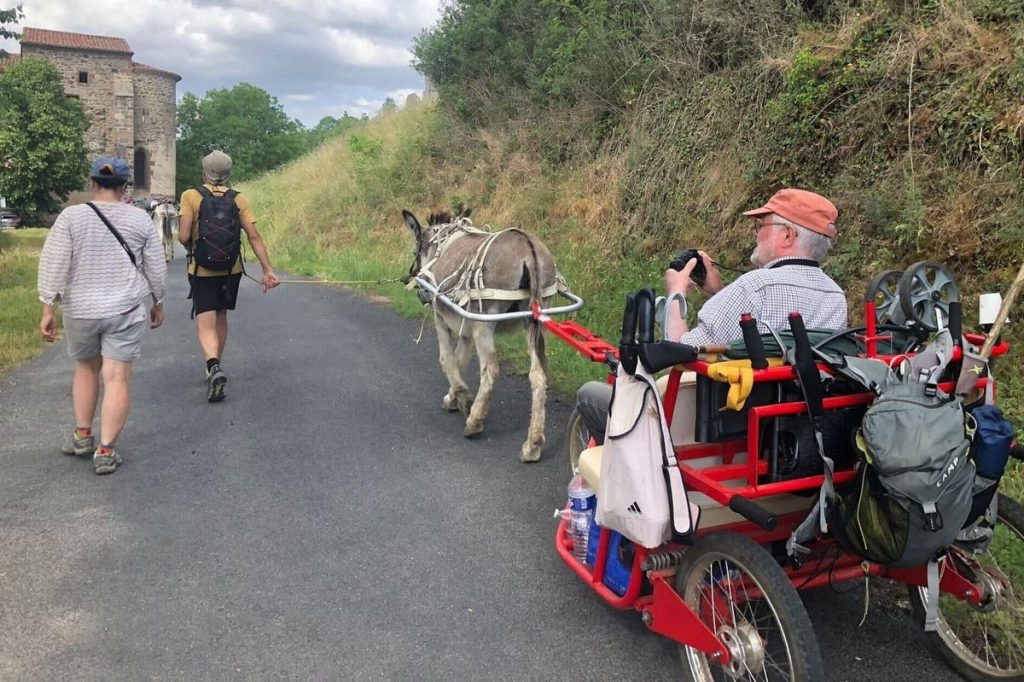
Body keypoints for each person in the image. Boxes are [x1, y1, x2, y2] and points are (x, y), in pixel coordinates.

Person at [576, 188, 848, 444]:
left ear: (788, 235)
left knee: (590, 395)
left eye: (761, 226)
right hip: (784, 432)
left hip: (720, 427)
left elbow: (678, 351)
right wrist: (718, 292)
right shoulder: (836, 297)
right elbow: (768, 329)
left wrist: (676, 293)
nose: (755, 234)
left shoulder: (752, 287)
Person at [38, 157, 167, 475]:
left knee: (85, 369)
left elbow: (54, 263)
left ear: (92, 183)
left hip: (81, 309)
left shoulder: (71, 217)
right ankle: (106, 450)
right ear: (125, 187)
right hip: (124, 309)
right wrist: (158, 300)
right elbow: (155, 267)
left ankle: (82, 435)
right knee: (117, 377)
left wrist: (47, 307)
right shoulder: (139, 220)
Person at [178, 150, 279, 402]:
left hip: (201, 269)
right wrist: (267, 269)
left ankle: (212, 365)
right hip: (231, 270)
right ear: (228, 173)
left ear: (205, 171)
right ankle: (216, 364)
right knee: (221, 315)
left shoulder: (190, 196)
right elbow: (254, 236)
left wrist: (193, 248)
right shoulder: (239, 199)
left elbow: (182, 235)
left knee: (205, 318)